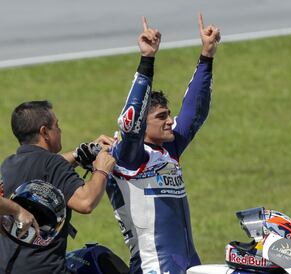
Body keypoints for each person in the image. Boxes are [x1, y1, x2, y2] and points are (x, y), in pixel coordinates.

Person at [106, 15, 220, 273]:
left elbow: (195, 112)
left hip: (188, 263)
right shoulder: (129, 156)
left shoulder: (169, 149)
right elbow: (131, 119)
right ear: (142, 126)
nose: (170, 121)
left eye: (168, 114)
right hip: (153, 266)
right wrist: (147, 59)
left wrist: (207, 55)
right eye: (161, 117)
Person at [0, 100, 116, 274]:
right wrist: (101, 170)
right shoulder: (52, 164)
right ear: (45, 132)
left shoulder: (9, 164)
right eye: (57, 126)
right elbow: (86, 202)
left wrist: (81, 153)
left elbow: (44, 166)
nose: (60, 130)